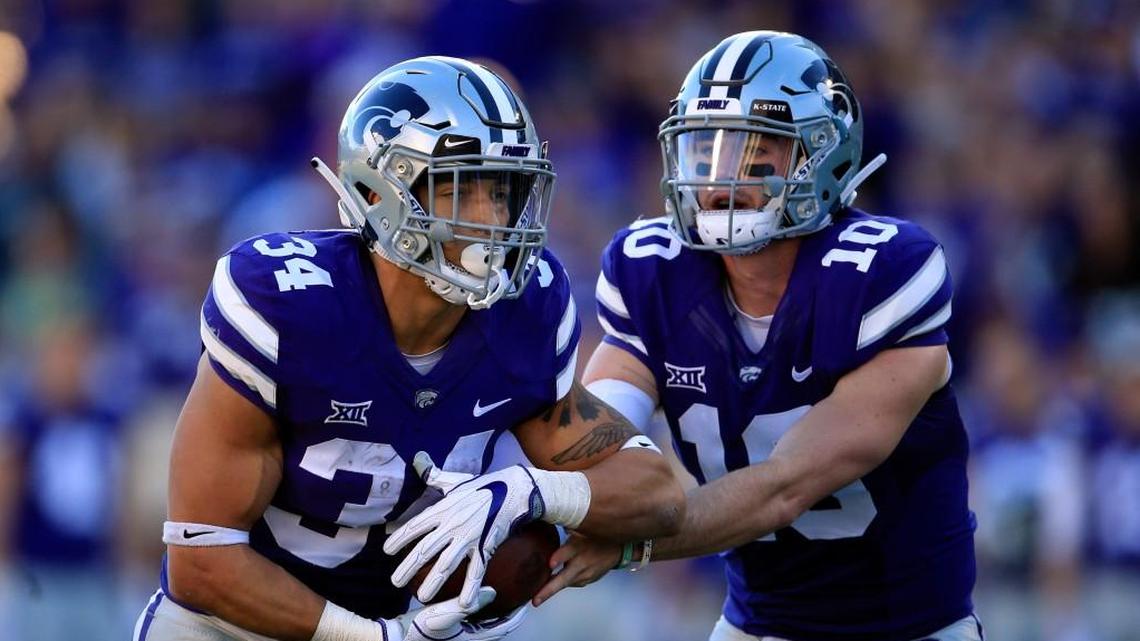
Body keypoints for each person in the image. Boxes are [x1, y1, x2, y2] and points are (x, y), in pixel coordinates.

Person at [131, 55, 683, 641]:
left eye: (503, 191)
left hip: (399, 622)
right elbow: (201, 561)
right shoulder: (289, 306)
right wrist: (375, 639)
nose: (492, 218)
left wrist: (536, 490)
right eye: (460, 189)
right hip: (231, 626)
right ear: (379, 193)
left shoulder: (525, 313)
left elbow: (658, 492)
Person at [539, 32, 980, 641]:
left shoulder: (884, 272)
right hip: (757, 625)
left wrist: (631, 543)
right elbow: (600, 439)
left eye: (755, 151)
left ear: (823, 155)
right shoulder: (652, 271)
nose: (722, 178)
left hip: (911, 628)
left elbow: (785, 487)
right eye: (706, 150)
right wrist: (531, 501)